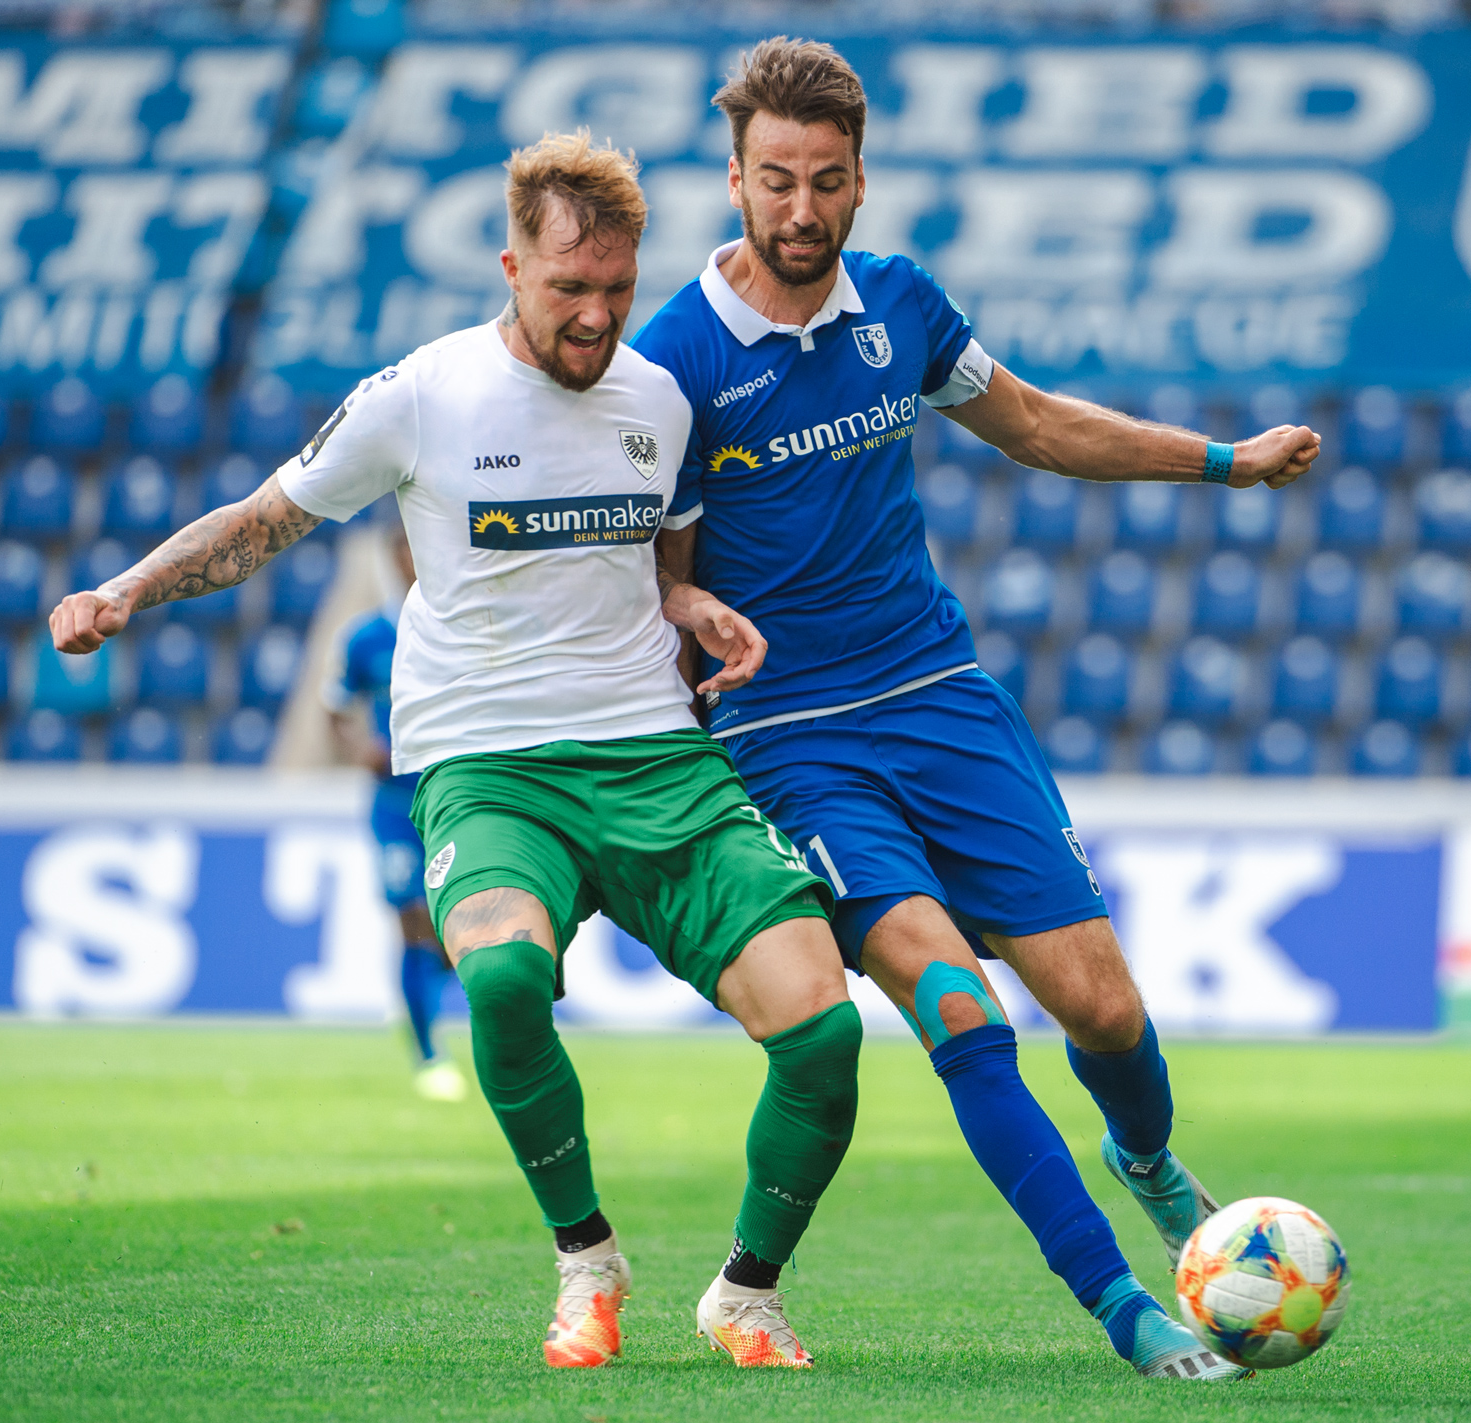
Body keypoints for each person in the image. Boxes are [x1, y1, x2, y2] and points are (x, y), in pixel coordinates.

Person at [49, 130, 863, 1372]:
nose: (595, 318)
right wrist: (125, 589)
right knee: (496, 981)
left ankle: (747, 1291)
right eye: (567, 290)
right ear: (510, 265)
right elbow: (263, 521)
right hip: (487, 764)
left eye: (616, 291)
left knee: (823, 1030)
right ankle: (587, 1261)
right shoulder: (418, 395)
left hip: (655, 756)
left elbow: (666, 564)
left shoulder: (659, 399)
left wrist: (690, 606)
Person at [632, 37, 1321, 1382]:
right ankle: (1129, 1308)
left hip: (942, 698)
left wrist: (1224, 461)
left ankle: (1147, 1159)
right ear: (734, 179)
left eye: (826, 182)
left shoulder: (901, 307)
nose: (800, 211)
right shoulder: (676, 367)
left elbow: (1039, 424)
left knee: (1106, 1011)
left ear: (861, 182)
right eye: (775, 180)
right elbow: (653, 581)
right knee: (958, 1009)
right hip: (793, 742)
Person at [322, 521, 467, 1102]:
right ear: (393, 554)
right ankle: (429, 1052)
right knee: (412, 919)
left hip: (455, 793)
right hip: (394, 800)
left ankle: (424, 998)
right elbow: (335, 707)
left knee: (452, 930)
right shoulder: (367, 637)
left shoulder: (460, 630)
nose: (413, 556)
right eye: (404, 546)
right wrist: (360, 750)